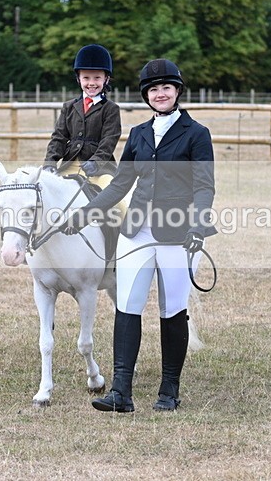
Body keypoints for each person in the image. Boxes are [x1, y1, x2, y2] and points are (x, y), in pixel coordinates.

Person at [62, 58, 217, 412]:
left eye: (166, 88)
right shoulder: (139, 135)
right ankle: (121, 392)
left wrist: (198, 225)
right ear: (146, 95)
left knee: (172, 310)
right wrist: (86, 213)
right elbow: (120, 184)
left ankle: (169, 391)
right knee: (127, 307)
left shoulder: (197, 134)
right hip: (137, 231)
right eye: (153, 89)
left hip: (177, 233)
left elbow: (205, 187)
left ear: (177, 91)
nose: (160, 94)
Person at [43, 44, 121, 191]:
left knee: (118, 199)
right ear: (79, 79)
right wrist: (50, 163)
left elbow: (109, 141)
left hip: (100, 169)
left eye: (97, 78)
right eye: (86, 78)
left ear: (106, 79)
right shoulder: (69, 107)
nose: (91, 83)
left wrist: (96, 162)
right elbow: (58, 137)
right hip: (70, 165)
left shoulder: (111, 109)